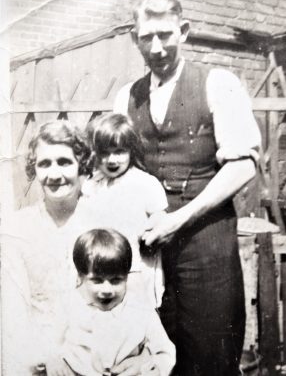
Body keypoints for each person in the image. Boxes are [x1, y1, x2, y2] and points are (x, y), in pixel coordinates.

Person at [114, 0, 262, 376]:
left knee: (211, 353)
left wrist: (177, 221)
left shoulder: (217, 83)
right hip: (150, 252)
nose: (157, 46)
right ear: (135, 39)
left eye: (166, 34)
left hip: (206, 243)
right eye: (147, 37)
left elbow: (243, 166)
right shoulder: (125, 98)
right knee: (156, 354)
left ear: (184, 31)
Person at [0, 121, 154, 376]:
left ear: (82, 165)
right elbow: (13, 319)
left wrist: (145, 357)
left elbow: (137, 301)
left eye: (64, 162)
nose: (54, 174)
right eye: (44, 164)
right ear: (33, 169)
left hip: (103, 358)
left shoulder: (111, 221)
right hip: (40, 359)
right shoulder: (17, 230)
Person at [49, 228, 176, 376]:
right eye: (97, 281)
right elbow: (48, 342)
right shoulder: (69, 305)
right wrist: (53, 360)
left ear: (127, 277)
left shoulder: (140, 309)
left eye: (116, 280)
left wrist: (149, 363)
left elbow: (165, 352)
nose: (107, 289)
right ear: (81, 277)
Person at [82, 113, 168, 308]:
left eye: (119, 151)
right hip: (101, 265)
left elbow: (159, 215)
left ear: (131, 150)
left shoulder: (144, 183)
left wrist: (151, 230)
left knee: (137, 314)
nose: (112, 159)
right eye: (105, 153)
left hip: (137, 266)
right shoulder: (93, 184)